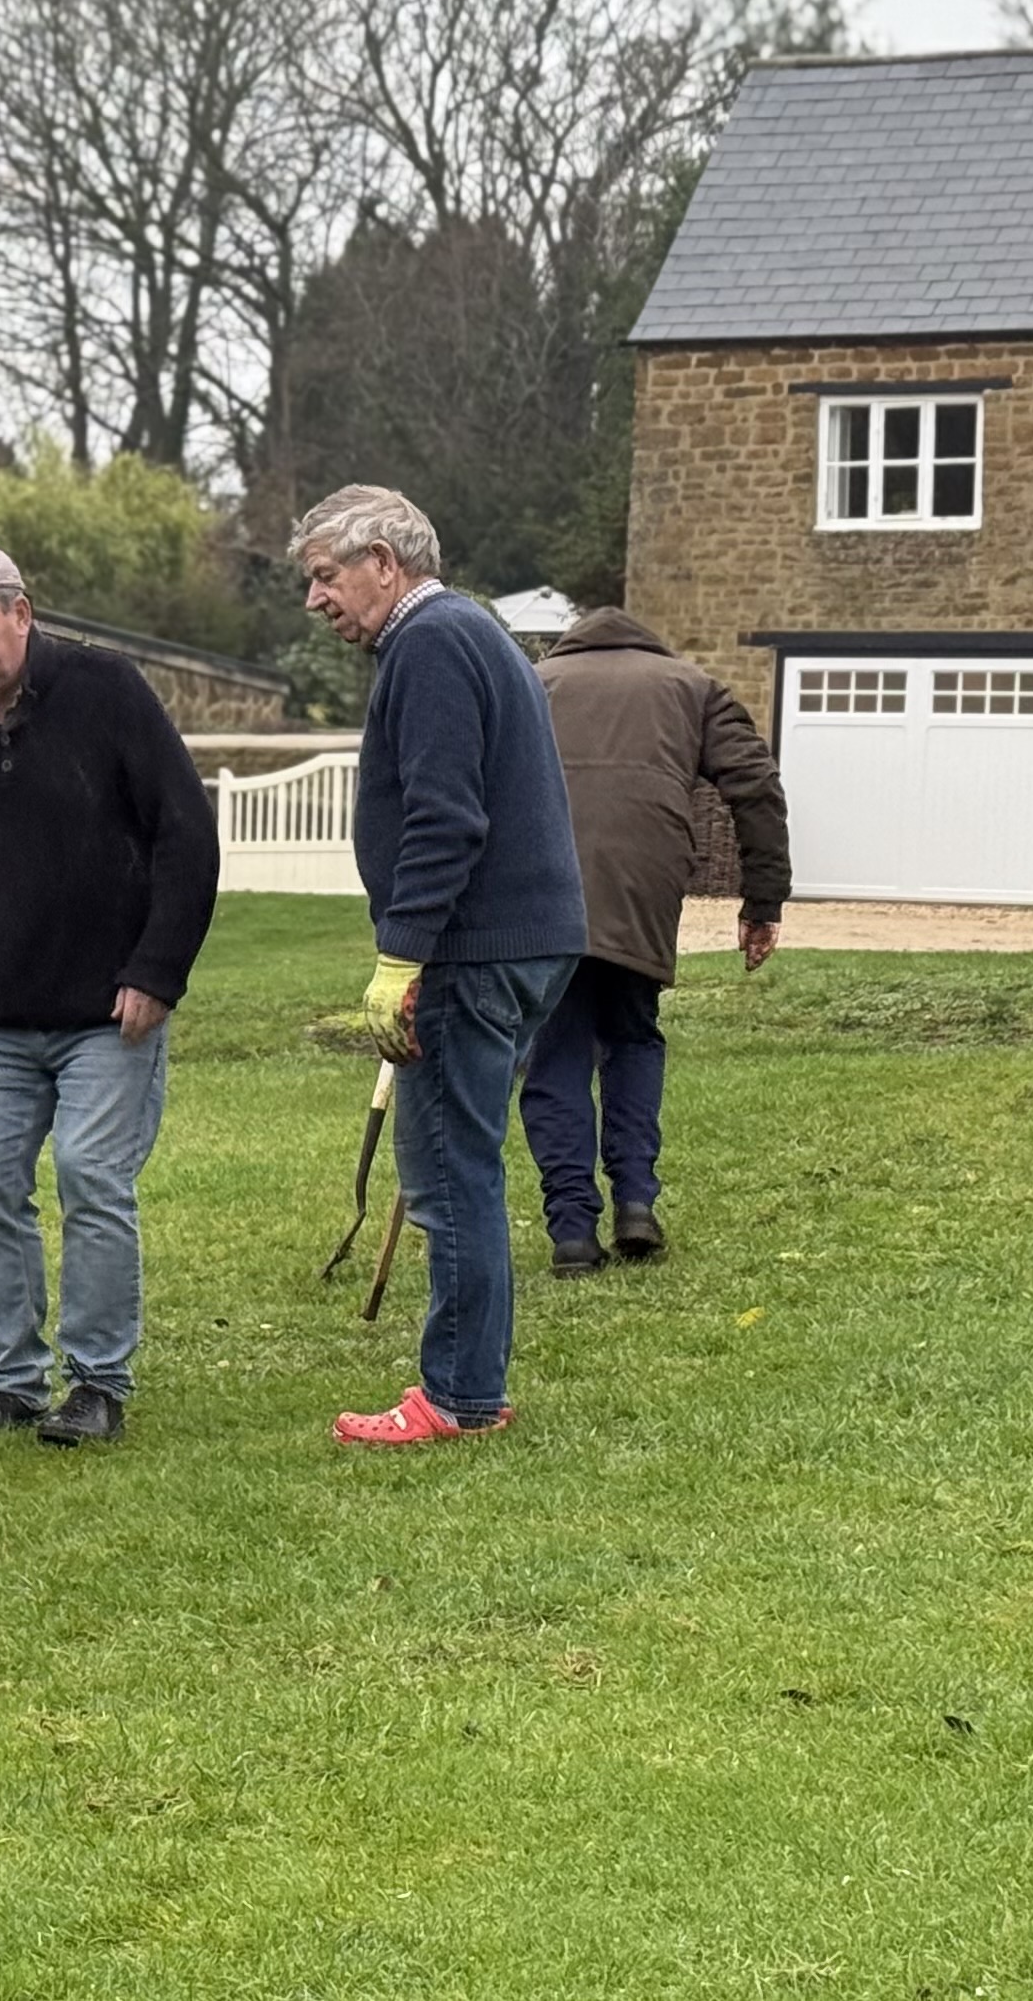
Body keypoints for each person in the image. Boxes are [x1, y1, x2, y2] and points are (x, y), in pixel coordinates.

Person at [0, 545, 219, 1449]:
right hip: (0, 1020)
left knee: (93, 1181)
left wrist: (156, 971)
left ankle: (97, 1384)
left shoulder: (108, 693)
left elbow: (186, 834)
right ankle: (12, 1385)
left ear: (20, 614)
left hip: (111, 1012)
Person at [294, 487, 586, 1447]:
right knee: (463, 1165)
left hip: (474, 949)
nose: (314, 599)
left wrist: (401, 956)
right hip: (523, 941)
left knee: (449, 1172)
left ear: (384, 561)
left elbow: (446, 816)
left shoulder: (428, 642)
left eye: (325, 576)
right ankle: (475, 1387)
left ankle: (457, 1398)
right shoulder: (472, 633)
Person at [523, 607, 792, 1274]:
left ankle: (572, 1231)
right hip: (647, 877)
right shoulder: (692, 687)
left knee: (555, 1049)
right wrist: (762, 901)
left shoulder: (531, 681)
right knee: (632, 1034)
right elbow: (756, 786)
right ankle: (637, 1203)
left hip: (544, 879)